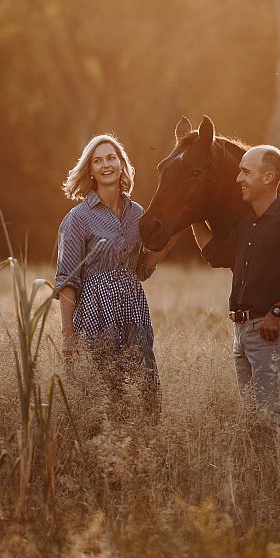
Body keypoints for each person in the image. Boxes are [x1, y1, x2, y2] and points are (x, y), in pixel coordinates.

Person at [191, 145, 280, 435]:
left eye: (245, 171)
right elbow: (217, 255)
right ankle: (265, 480)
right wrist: (192, 214)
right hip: (241, 333)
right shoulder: (247, 224)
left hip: (269, 332)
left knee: (273, 420)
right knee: (254, 422)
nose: (238, 178)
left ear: (268, 177)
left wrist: (278, 311)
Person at [55, 134, 174, 411]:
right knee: (104, 391)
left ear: (122, 164)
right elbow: (67, 280)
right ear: (91, 171)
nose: (105, 164)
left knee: (145, 387)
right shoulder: (78, 218)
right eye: (97, 161)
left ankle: (144, 444)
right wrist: (67, 336)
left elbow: (141, 269)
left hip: (134, 310)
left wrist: (170, 242)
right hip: (95, 311)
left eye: (111, 158)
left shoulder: (138, 214)